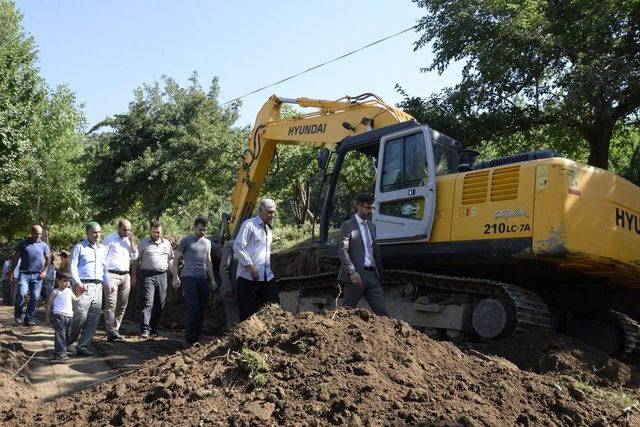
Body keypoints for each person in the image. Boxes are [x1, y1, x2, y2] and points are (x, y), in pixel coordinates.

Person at [68, 221, 114, 357]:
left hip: (98, 286)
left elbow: (104, 269)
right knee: (80, 315)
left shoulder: (103, 249)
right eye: (94, 232)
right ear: (87, 233)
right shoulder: (79, 247)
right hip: (83, 286)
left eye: (99, 232)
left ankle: (83, 346)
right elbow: (73, 267)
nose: (97, 234)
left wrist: (108, 283)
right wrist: (77, 283)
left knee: (94, 318)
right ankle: (69, 343)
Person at [337, 193, 388, 316]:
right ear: (358, 207)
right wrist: (351, 271)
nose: (371, 211)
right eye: (368, 208)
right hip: (356, 276)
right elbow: (343, 250)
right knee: (346, 313)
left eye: (373, 208)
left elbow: (373, 250)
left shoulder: (372, 226)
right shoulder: (347, 225)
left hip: (373, 276)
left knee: (383, 314)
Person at [172, 216, 216, 347]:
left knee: (202, 308)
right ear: (195, 227)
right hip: (189, 277)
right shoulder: (186, 240)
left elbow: (208, 261)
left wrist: (212, 279)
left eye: (205, 230)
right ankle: (189, 339)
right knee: (193, 306)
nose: (202, 232)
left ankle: (196, 338)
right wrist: (175, 276)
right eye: (200, 229)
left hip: (202, 278)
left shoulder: (207, 242)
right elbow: (176, 259)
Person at [233, 199, 280, 321]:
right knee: (248, 315)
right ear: (260, 211)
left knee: (274, 306)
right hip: (247, 277)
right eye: (269, 212)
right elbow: (237, 246)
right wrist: (250, 266)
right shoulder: (249, 225)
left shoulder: (269, 229)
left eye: (274, 212)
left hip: (266, 276)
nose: (272, 215)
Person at [136, 220, 173, 339]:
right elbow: (135, 260)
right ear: (150, 231)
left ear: (161, 232)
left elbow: (170, 260)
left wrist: (175, 276)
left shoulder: (167, 244)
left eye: (158, 232)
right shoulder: (143, 243)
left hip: (162, 275)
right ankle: (145, 329)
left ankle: (154, 327)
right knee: (148, 302)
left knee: (160, 303)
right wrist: (133, 276)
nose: (156, 234)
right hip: (147, 275)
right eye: (154, 232)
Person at [102, 219, 138, 342]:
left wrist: (132, 242)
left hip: (125, 275)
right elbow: (103, 258)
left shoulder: (129, 240)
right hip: (111, 274)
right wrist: (105, 277)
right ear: (118, 228)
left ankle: (115, 329)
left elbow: (134, 256)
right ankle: (110, 332)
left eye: (129, 230)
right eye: (124, 229)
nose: (127, 232)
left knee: (122, 304)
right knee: (111, 304)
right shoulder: (109, 239)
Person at [9, 225, 51, 326]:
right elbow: (16, 258)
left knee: (35, 297)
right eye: (36, 233)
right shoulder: (23, 243)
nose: (38, 235)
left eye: (40, 234)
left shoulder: (44, 245)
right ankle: (18, 316)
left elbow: (48, 258)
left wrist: (45, 271)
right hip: (24, 273)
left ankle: (29, 318)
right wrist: (11, 272)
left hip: (38, 276)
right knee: (22, 293)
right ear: (32, 232)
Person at [46, 273, 78, 362]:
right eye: (64, 281)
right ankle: (61, 354)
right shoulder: (55, 292)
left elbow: (75, 300)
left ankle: (58, 353)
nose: (67, 283)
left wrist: (82, 293)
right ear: (58, 280)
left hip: (69, 316)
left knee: (67, 334)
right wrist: (48, 317)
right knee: (60, 334)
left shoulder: (69, 291)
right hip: (59, 315)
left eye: (68, 281)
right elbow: (49, 304)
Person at [219, 239, 240, 331]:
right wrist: (228, 287)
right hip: (232, 288)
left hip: (247, 288)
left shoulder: (253, 245)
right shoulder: (231, 245)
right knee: (233, 322)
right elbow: (223, 268)